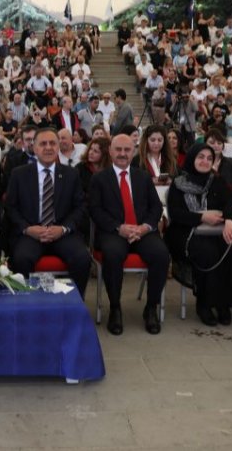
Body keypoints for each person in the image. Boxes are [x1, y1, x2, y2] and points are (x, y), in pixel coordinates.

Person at [89, 134, 170, 335]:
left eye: (127, 150)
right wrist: (120, 227)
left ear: (133, 151)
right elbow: (95, 210)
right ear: (110, 151)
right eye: (119, 149)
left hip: (142, 231)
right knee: (113, 254)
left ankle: (151, 307)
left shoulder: (142, 177)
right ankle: (115, 308)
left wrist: (144, 227)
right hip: (114, 232)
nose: (123, 154)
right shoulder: (99, 178)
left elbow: (155, 208)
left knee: (161, 255)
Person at [166, 144, 232, 326]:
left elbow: (229, 203)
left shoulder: (216, 181)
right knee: (208, 252)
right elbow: (175, 214)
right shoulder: (178, 183)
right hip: (185, 232)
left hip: (216, 230)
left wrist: (230, 220)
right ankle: (204, 304)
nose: (205, 161)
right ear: (192, 158)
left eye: (209, 158)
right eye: (201, 157)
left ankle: (225, 303)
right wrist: (201, 217)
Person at [5, 128, 91, 297]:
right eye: (43, 144)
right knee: (20, 259)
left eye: (53, 143)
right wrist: (27, 229)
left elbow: (80, 207)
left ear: (58, 147)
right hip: (31, 234)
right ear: (34, 148)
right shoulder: (19, 174)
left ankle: (74, 306)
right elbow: (10, 208)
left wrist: (63, 229)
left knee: (82, 259)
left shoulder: (71, 174)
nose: (48, 147)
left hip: (62, 234)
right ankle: (27, 308)